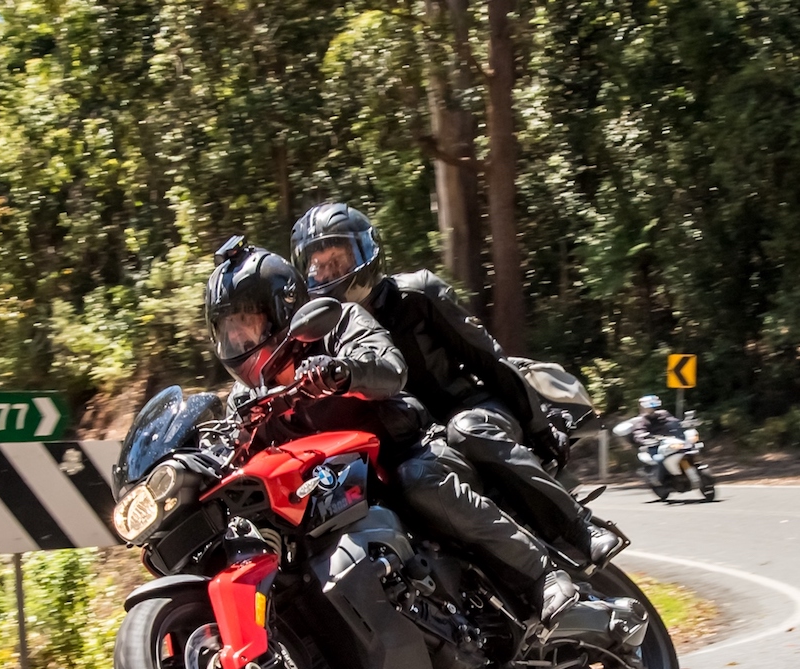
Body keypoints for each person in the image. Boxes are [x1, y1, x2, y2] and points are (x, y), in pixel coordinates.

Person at [205, 236, 581, 627]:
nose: (239, 341)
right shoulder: (246, 398)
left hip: (407, 451)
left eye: (246, 326)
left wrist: (343, 372)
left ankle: (543, 575)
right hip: (338, 496)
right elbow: (232, 445)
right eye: (229, 332)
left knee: (419, 480)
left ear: (282, 307)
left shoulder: (339, 323)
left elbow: (389, 368)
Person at [289, 203, 620, 571]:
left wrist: (540, 426)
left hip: (471, 411)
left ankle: (579, 526)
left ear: (366, 253)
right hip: (412, 447)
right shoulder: (318, 342)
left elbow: (489, 358)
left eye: (338, 259)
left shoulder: (417, 294)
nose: (329, 272)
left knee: (466, 432)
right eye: (319, 264)